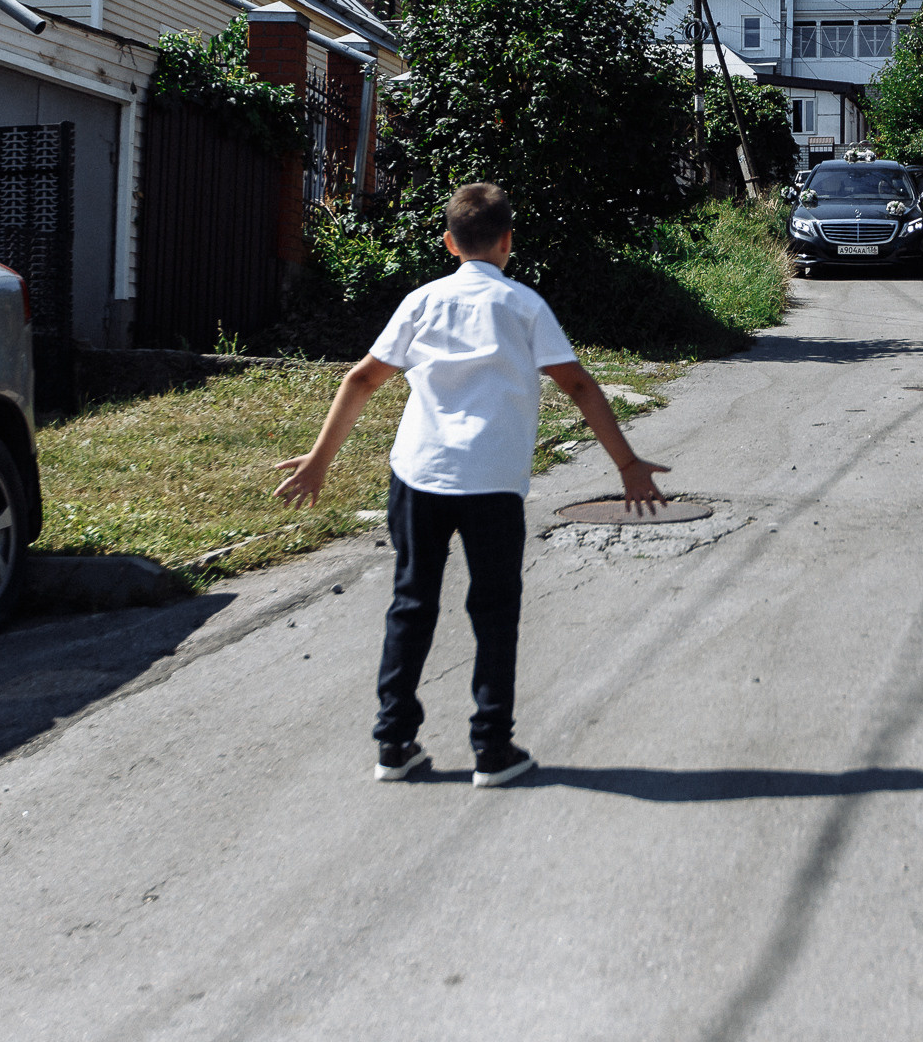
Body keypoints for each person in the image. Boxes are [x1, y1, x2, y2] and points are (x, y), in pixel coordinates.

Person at [274, 183, 669, 785]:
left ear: (448, 242)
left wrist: (319, 460)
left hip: (420, 474)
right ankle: (491, 749)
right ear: (509, 242)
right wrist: (627, 465)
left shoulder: (422, 301)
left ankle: (393, 744)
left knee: (411, 605)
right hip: (491, 481)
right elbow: (580, 386)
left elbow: (361, 379)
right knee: (493, 611)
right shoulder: (524, 306)